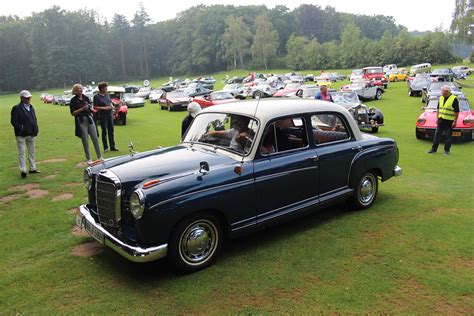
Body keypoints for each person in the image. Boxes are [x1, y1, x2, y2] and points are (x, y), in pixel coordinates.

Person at [70, 84, 103, 164]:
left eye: (81, 89)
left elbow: (89, 107)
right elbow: (73, 113)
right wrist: (82, 109)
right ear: (75, 91)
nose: (80, 90)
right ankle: (89, 159)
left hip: (89, 118)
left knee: (95, 138)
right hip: (80, 120)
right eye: (78, 89)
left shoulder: (86, 98)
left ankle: (100, 157)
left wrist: (91, 110)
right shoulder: (73, 100)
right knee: (85, 140)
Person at [10, 90, 40, 178]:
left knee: (32, 152)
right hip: (21, 135)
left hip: (31, 133)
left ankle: (32, 168)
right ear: (21, 98)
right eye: (26, 98)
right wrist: (21, 128)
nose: (28, 99)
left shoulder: (31, 107)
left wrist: (36, 128)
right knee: (22, 153)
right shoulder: (16, 108)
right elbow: (13, 121)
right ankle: (23, 170)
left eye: (29, 97)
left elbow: (34, 119)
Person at [428, 86, 459, 155]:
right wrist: (437, 118)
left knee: (448, 136)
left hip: (449, 120)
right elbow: (438, 109)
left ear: (447, 92)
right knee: (437, 134)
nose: (441, 93)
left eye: (443, 92)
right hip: (441, 119)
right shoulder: (441, 97)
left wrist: (455, 121)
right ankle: (433, 149)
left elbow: (456, 111)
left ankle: (446, 150)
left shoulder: (454, 99)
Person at [93, 82, 118, 152]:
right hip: (102, 116)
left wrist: (112, 106)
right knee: (104, 131)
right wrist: (104, 108)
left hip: (109, 114)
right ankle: (105, 147)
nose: (107, 88)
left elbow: (110, 102)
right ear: (101, 88)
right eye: (105, 87)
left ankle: (112, 147)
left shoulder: (107, 94)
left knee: (111, 131)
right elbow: (95, 107)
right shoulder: (96, 97)